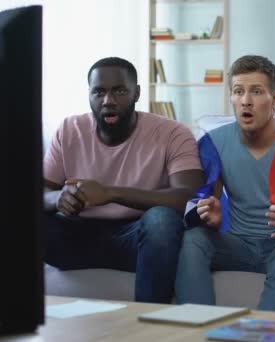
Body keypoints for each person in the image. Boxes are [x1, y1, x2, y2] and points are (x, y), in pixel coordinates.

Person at [175, 55, 275, 311]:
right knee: (194, 240)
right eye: (239, 91)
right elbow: (202, 200)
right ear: (231, 97)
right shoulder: (214, 142)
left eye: (257, 92)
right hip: (238, 242)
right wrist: (209, 215)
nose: (246, 100)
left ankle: (264, 334)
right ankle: (194, 328)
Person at [43, 57, 204, 303]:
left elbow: (188, 199)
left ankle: (149, 320)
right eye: (99, 92)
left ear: (136, 93)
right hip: (76, 237)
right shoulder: (69, 130)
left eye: (119, 91)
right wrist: (59, 198)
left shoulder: (173, 133)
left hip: (139, 239)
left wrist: (111, 193)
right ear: (89, 95)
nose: (108, 101)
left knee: (162, 220)